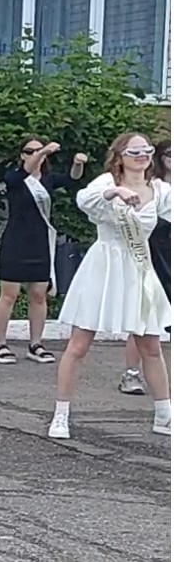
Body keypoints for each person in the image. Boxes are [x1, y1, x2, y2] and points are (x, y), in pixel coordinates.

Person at [48, 133, 172, 439]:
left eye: (147, 150)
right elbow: (84, 200)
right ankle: (61, 415)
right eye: (134, 151)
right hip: (103, 266)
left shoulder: (160, 189)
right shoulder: (106, 182)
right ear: (120, 156)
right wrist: (115, 192)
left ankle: (164, 415)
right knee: (78, 345)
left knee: (151, 347)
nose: (142, 155)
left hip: (139, 270)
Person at [0, 138, 88, 364]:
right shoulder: (15, 177)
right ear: (22, 155)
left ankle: (36, 344)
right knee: (9, 295)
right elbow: (21, 174)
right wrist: (43, 151)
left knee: (38, 294)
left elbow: (72, 178)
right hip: (15, 242)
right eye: (29, 151)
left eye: (38, 151)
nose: (35, 154)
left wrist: (78, 163)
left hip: (40, 243)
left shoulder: (47, 179)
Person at [121, 138, 171, 395]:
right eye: (169, 153)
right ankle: (131, 373)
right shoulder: (154, 188)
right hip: (155, 258)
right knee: (143, 320)